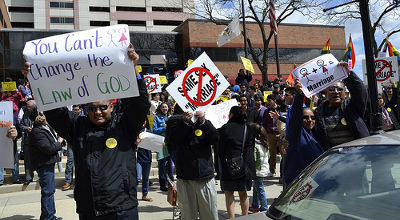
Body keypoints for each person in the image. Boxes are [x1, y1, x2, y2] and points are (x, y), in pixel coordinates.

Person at [22, 45, 150, 219]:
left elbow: (140, 103)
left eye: (103, 107)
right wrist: (37, 80)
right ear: (85, 108)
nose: (97, 112)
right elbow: (54, 111)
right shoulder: (77, 126)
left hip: (122, 208)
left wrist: (133, 68)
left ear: (111, 107)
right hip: (89, 208)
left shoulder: (124, 125)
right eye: (92, 108)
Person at [165, 109, 219, 220]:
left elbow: (215, 138)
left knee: (210, 214)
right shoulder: (175, 122)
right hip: (185, 178)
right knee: (188, 215)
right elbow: (173, 142)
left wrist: (203, 121)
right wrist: (185, 122)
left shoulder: (204, 121)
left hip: (205, 177)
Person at [314, 62, 369, 151]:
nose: (336, 91)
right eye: (331, 89)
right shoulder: (318, 112)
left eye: (339, 89)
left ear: (345, 93)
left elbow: (360, 91)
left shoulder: (352, 107)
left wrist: (350, 75)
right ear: (326, 93)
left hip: (357, 155)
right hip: (333, 158)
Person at [283, 79, 323, 187]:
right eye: (305, 117)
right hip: (297, 182)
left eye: (312, 117)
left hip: (314, 182)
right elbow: (295, 114)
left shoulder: (317, 136)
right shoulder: (296, 134)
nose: (310, 120)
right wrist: (299, 94)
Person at [219, 106, 256, 219]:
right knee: (243, 193)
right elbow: (251, 147)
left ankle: (231, 217)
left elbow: (220, 149)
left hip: (229, 164)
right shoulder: (248, 128)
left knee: (229, 192)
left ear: (232, 115)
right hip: (245, 166)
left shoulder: (225, 128)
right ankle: (244, 216)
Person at [30, 112, 64, 220]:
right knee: (48, 192)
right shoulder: (37, 131)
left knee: (50, 191)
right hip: (44, 164)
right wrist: (59, 142)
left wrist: (58, 143)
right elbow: (48, 148)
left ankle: (50, 215)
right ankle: (48, 217)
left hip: (48, 163)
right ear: (40, 118)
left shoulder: (46, 127)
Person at [153, 102, 173, 191]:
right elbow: (154, 130)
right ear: (160, 108)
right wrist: (164, 128)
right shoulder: (157, 118)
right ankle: (162, 184)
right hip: (161, 143)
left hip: (170, 143)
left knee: (170, 163)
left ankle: (171, 183)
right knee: (162, 164)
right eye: (163, 107)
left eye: (166, 107)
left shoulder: (171, 117)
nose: (165, 108)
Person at [62, 104, 83, 191]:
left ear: (80, 110)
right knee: (70, 161)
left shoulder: (84, 119)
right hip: (71, 143)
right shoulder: (69, 119)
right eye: (73, 109)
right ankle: (68, 181)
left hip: (82, 143)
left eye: (77, 109)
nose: (75, 111)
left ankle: (80, 181)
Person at [20, 100, 38, 185]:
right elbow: (21, 125)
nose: (27, 108)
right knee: (27, 160)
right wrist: (27, 128)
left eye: (29, 107)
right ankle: (28, 177)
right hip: (28, 140)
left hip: (38, 141)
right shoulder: (26, 114)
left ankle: (42, 176)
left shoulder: (40, 114)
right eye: (27, 106)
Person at [262, 94, 281, 177]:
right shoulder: (266, 111)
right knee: (272, 154)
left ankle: (282, 173)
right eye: (268, 101)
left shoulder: (280, 109)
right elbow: (264, 123)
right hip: (270, 134)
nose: (268, 102)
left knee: (283, 154)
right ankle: (272, 171)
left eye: (270, 100)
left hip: (280, 134)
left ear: (274, 101)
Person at [136, 118, 153, 202]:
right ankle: (133, 196)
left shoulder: (149, 131)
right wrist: (136, 142)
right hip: (137, 159)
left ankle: (144, 195)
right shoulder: (134, 131)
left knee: (146, 178)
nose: (143, 121)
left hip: (147, 158)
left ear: (146, 120)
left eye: (144, 119)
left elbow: (154, 143)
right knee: (137, 178)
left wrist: (160, 144)